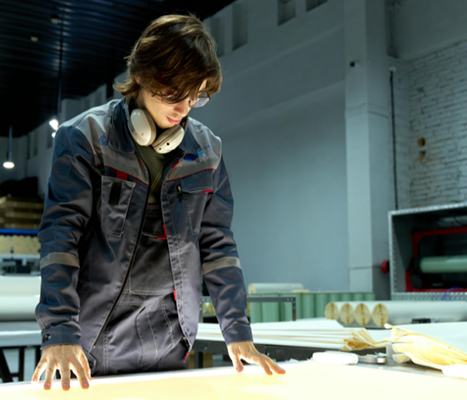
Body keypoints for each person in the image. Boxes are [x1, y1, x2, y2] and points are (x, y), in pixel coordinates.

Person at [31, 14, 285, 391]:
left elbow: (218, 246)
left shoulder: (207, 152)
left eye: (195, 96)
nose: (183, 108)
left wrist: (237, 330)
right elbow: (60, 240)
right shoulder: (85, 139)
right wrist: (60, 331)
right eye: (173, 94)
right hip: (90, 338)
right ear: (140, 78)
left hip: (171, 336)